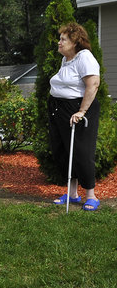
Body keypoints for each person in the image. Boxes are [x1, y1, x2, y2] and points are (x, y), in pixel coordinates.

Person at [49, 23, 101, 211]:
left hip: (78, 109)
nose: (59, 42)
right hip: (60, 109)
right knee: (63, 151)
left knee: (82, 152)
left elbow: (93, 84)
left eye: (63, 39)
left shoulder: (84, 58)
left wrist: (81, 111)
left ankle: (91, 196)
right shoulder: (67, 60)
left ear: (75, 42)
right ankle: (72, 194)